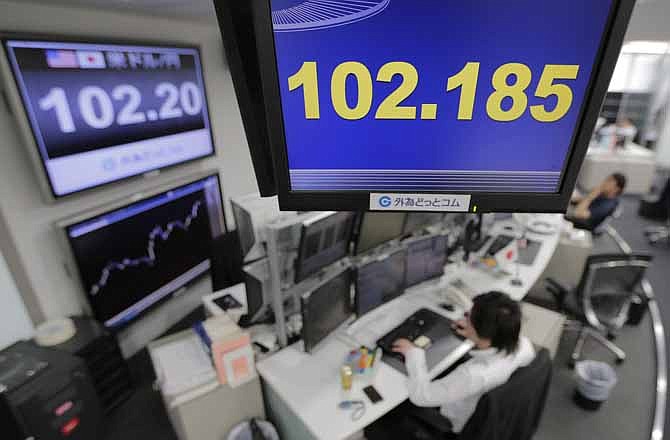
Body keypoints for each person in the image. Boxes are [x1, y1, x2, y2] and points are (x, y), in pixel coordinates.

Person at [391, 291, 535, 435]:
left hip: (455, 421)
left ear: (482, 332)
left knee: (394, 408)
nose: (465, 318)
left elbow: (421, 396)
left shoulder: (473, 375)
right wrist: (474, 334)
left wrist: (413, 353)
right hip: (492, 412)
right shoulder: (525, 345)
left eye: (468, 317)